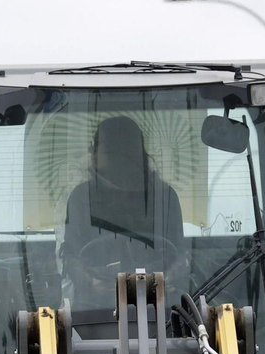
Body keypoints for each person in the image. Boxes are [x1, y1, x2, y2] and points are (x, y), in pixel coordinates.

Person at [58, 117, 186, 308]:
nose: (92, 154)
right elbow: (71, 258)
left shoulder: (164, 197)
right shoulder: (81, 198)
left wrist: (166, 278)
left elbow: (181, 257)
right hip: (92, 313)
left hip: (161, 312)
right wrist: (90, 282)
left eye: (97, 149)